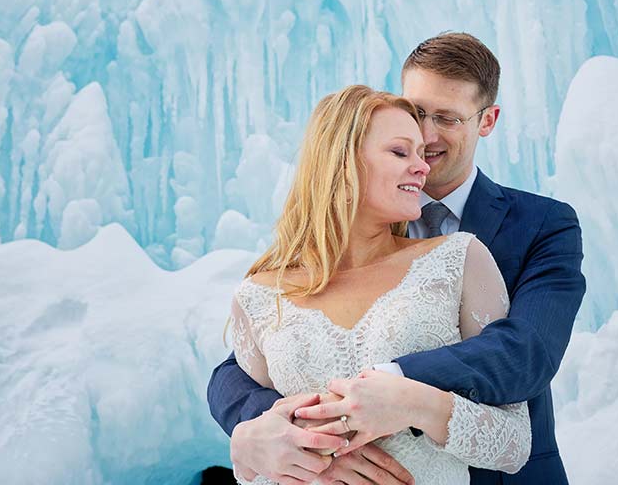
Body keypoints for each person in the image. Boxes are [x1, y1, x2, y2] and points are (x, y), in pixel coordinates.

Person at [208, 33, 585, 484]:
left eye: (445, 118)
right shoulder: (315, 254)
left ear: (487, 121)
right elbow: (243, 363)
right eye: (416, 112)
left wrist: (393, 386)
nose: (425, 137)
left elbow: (527, 353)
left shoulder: (543, 224)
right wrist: (259, 432)